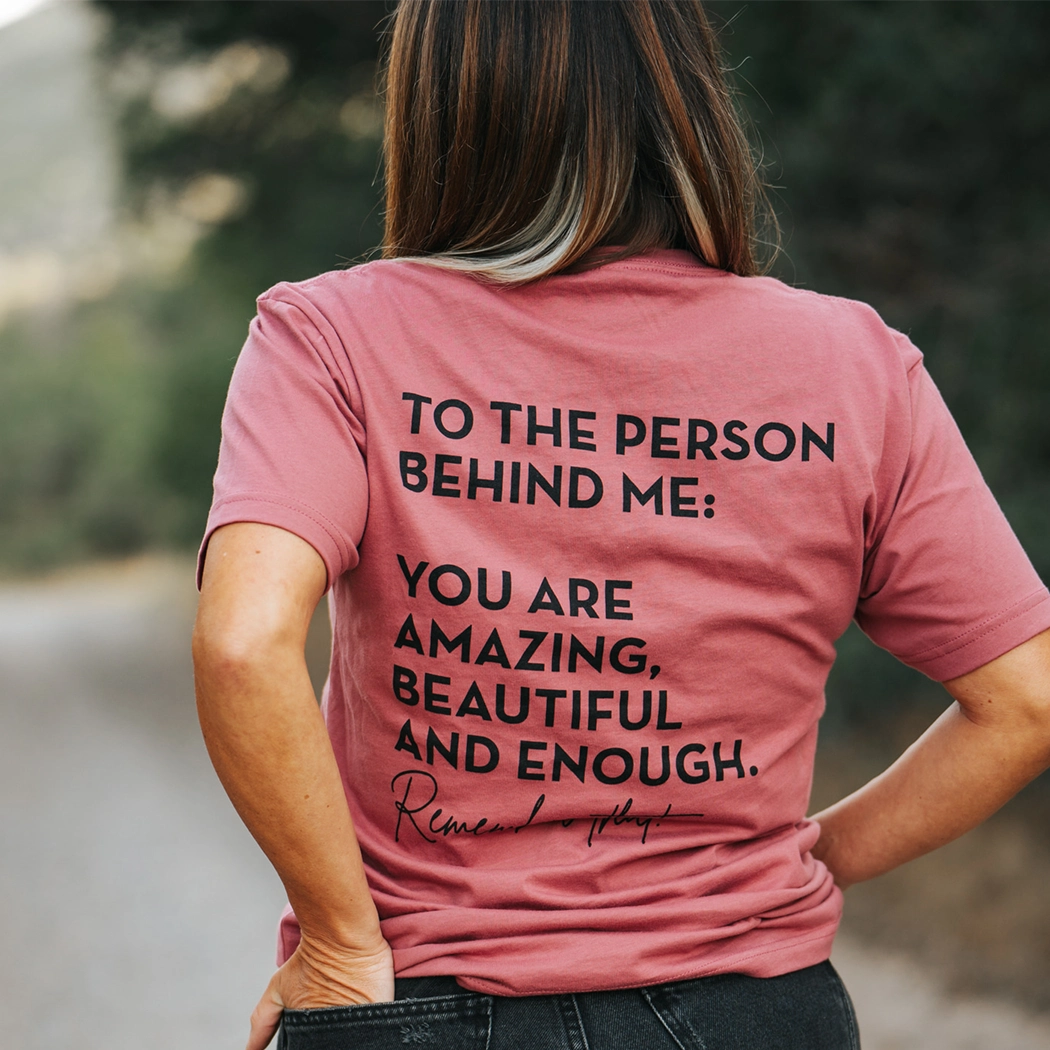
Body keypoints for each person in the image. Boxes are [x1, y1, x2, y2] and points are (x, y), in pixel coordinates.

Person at [191, 2, 1050, 1048]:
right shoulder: (854, 366)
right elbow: (1025, 702)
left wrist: (335, 938)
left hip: (430, 1000)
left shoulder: (331, 337)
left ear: (437, 104)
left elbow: (243, 643)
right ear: (687, 102)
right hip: (756, 1005)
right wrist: (810, 856)